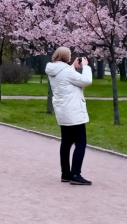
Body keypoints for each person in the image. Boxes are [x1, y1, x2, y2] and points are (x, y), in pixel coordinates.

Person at [45, 46, 93, 186]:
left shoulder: (53, 70)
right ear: (66, 56)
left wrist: (72, 66)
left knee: (66, 143)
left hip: (63, 112)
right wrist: (86, 67)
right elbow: (86, 81)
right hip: (74, 112)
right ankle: (75, 174)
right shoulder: (66, 71)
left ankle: (65, 174)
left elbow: (65, 76)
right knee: (80, 143)